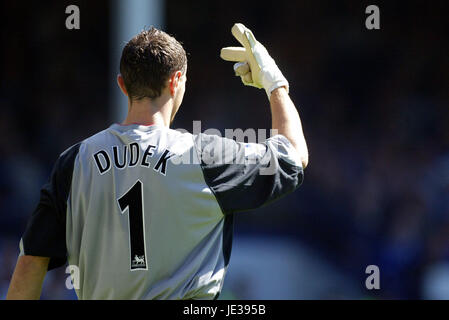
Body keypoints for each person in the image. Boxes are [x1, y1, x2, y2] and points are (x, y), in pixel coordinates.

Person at [7, 23, 308, 300]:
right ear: (176, 81)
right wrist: (275, 84)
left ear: (123, 85)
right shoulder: (203, 156)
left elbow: (31, 263)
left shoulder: (74, 163)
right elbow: (294, 156)